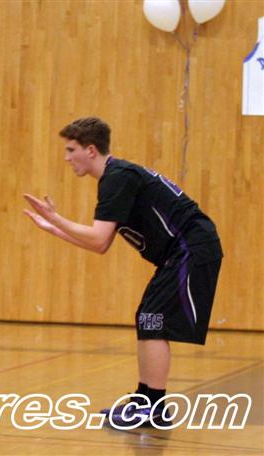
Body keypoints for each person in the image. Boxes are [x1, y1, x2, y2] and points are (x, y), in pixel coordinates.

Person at [23, 117, 222, 427]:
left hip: (191, 248)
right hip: (184, 251)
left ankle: (153, 408)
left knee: (154, 321)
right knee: (148, 318)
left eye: (71, 150)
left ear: (91, 150)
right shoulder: (116, 177)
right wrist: (55, 229)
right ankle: (144, 402)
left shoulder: (117, 178)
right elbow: (101, 245)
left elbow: (97, 238)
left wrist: (56, 218)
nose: (66, 158)